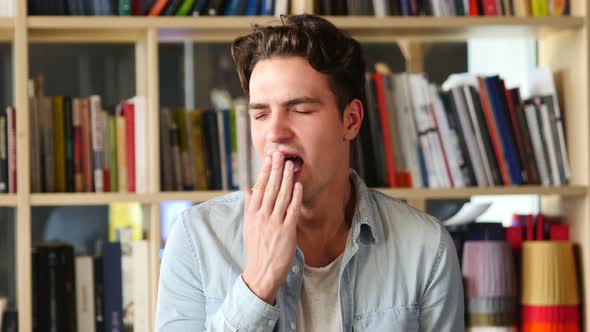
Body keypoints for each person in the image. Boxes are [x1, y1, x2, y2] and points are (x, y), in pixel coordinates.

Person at [155, 14, 464, 331]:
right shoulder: (196, 238)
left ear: (351, 120)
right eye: (260, 114)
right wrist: (258, 283)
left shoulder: (427, 247)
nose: (275, 132)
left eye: (300, 110)